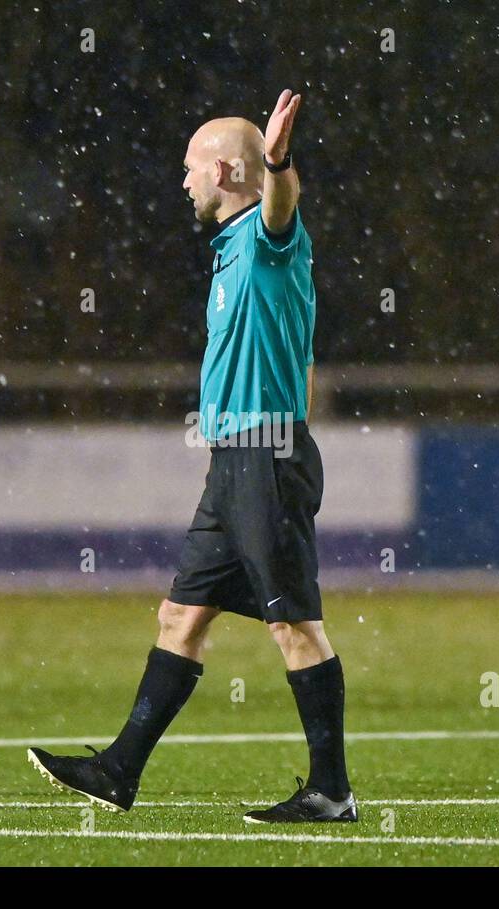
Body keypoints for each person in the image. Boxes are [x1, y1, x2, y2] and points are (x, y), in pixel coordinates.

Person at [28, 89, 355, 824]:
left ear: (228, 171)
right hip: (233, 466)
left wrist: (276, 160)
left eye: (190, 168)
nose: (183, 181)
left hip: (267, 458)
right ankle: (118, 772)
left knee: (293, 625)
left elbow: (282, 205)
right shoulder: (230, 249)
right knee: (180, 617)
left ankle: (331, 790)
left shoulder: (271, 234)